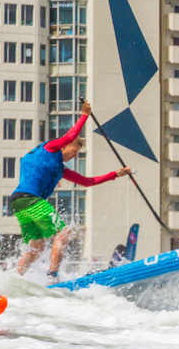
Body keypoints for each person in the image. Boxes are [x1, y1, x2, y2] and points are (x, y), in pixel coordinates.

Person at [10, 101, 131, 279]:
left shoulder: (60, 168)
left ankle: (14, 279)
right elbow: (69, 137)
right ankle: (52, 276)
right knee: (64, 232)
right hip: (30, 198)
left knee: (36, 249)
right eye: (74, 151)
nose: (74, 155)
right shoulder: (50, 148)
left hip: (18, 202)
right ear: (65, 146)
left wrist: (115, 174)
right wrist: (84, 115)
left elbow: (87, 181)